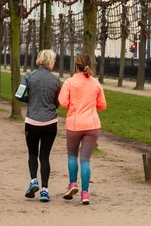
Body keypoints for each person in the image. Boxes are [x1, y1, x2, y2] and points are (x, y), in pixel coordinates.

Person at [58, 54, 107, 205]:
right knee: (85, 159)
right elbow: (102, 105)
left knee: (72, 155)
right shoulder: (96, 83)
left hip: (74, 124)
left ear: (76, 66)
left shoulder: (69, 82)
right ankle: (85, 193)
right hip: (92, 125)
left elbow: (63, 102)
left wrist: (74, 104)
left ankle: (73, 184)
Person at [19, 49, 61, 202]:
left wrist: (30, 101)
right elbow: (57, 102)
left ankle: (33, 181)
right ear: (50, 61)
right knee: (45, 156)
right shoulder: (55, 80)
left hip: (32, 121)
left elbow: (18, 95)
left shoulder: (29, 76)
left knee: (32, 154)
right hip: (50, 122)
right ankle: (45, 190)